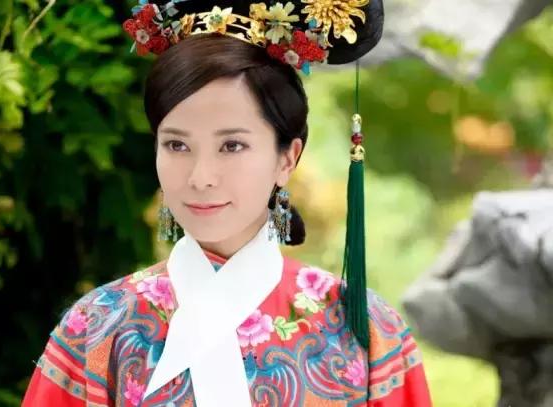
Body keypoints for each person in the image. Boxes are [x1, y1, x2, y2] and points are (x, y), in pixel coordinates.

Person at [22, 1, 432, 405]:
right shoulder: (97, 326)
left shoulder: (364, 329)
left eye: (232, 145)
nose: (200, 177)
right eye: (177, 145)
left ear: (287, 158)